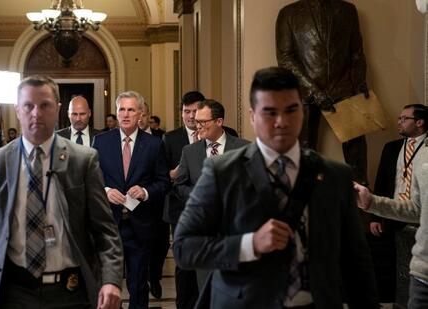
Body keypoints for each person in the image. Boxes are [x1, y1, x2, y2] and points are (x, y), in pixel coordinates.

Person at [173, 67, 378, 308]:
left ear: (302, 112)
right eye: (269, 112)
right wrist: (250, 244)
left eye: (291, 110)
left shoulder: (335, 176)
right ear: (252, 116)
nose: (281, 122)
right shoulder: (222, 172)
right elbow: (184, 248)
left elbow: (356, 262)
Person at [0, 75, 123, 309]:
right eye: (28, 106)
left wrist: (111, 281)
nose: (36, 113)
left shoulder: (82, 160)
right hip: (14, 291)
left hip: (70, 292)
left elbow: (106, 231)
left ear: (58, 109)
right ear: (17, 110)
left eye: (45, 105)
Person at [276, 0, 369, 184]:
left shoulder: (347, 10)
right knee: (303, 150)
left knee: (356, 152)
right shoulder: (288, 13)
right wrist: (313, 91)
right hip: (305, 92)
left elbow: (357, 52)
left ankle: (361, 200)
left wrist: (359, 82)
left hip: (344, 88)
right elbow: (285, 58)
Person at [93, 91, 170, 309]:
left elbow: (164, 182)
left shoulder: (154, 144)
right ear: (117, 113)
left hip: (141, 225)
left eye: (131, 110)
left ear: (140, 114)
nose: (126, 114)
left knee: (138, 285)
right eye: (122, 109)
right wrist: (106, 190)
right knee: (109, 285)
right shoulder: (101, 142)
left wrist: (145, 192)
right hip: (109, 225)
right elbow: (91, 180)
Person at [355, 104, 427, 309]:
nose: (399, 122)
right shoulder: (392, 147)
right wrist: (375, 216)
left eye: (404, 118)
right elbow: (382, 183)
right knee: (401, 271)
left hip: (422, 221)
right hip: (395, 216)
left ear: (420, 122)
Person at [174, 99, 249, 291]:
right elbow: (180, 185)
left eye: (202, 122)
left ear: (219, 121)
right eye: (196, 122)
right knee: (206, 289)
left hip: (236, 232)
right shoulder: (189, 152)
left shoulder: (244, 148)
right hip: (204, 234)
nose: (197, 126)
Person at [161, 90, 201, 308]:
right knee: (184, 261)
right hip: (181, 208)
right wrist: (172, 174)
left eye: (195, 111)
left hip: (214, 209)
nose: (191, 116)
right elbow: (161, 175)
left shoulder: (220, 132)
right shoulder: (171, 138)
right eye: (187, 111)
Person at [137, 102, 169, 299]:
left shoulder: (160, 139)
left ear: (148, 116)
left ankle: (154, 276)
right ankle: (140, 279)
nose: (139, 118)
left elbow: (163, 173)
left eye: (142, 114)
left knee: (160, 245)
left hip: (156, 202)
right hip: (131, 205)